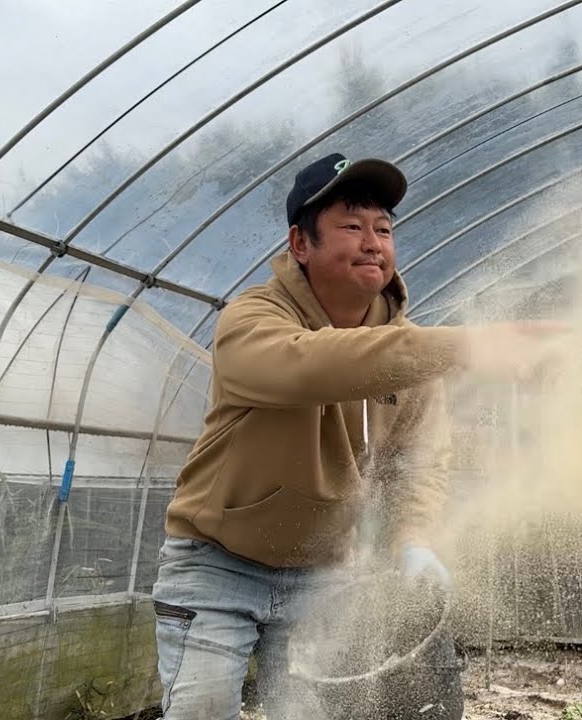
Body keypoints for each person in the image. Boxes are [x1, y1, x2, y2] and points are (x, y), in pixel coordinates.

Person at [151, 152, 559, 720]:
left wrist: (413, 539)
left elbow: (418, 463)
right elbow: (307, 366)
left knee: (310, 713)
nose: (373, 243)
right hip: (218, 563)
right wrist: (463, 346)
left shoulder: (411, 354)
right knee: (204, 706)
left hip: (323, 574)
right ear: (300, 243)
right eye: (351, 226)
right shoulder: (251, 320)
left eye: (384, 229)